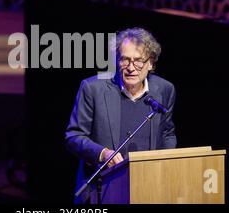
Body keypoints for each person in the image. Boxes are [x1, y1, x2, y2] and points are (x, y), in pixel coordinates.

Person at [65, 27, 177, 203]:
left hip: (149, 189)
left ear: (151, 63)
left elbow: (167, 133)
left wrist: (166, 165)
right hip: (103, 190)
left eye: (139, 61)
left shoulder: (164, 90)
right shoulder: (93, 88)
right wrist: (102, 153)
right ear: (117, 61)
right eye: (125, 60)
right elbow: (73, 137)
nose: (131, 68)